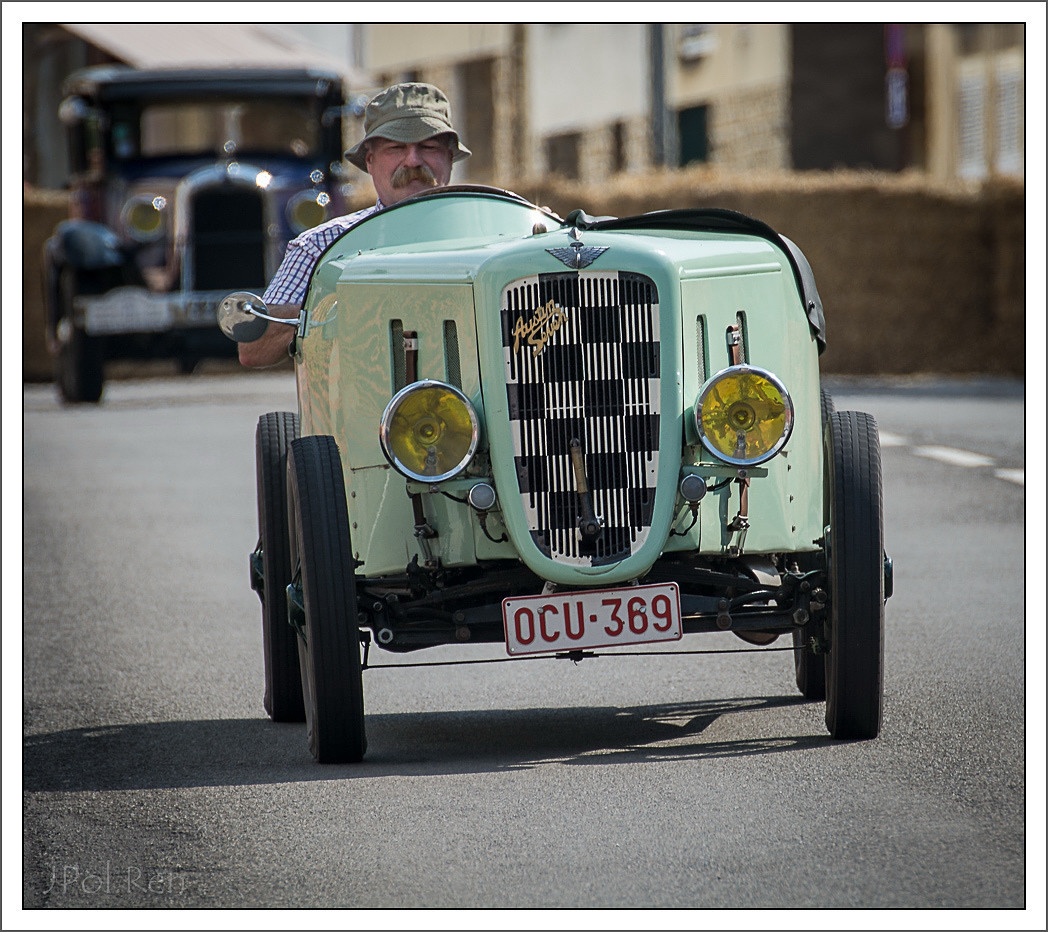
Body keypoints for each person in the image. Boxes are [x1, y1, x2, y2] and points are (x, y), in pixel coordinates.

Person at [238, 82, 471, 367]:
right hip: (361, 405)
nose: (413, 160)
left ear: (449, 158)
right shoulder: (320, 246)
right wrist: (344, 305)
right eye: (396, 147)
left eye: (429, 146)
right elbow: (253, 349)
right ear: (370, 161)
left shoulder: (498, 239)